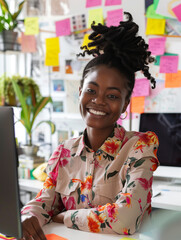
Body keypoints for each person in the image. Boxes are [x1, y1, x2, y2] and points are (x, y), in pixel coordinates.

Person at [21, 12, 159, 239]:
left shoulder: (139, 146)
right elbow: (44, 202)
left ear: (125, 105)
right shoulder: (64, 151)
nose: (99, 101)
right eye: (91, 90)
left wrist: (65, 216)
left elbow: (124, 219)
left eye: (112, 96)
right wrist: (28, 216)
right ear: (80, 93)